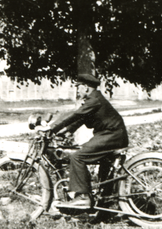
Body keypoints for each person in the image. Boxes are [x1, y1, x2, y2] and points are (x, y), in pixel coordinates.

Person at [43, 73, 129, 209]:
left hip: (112, 136)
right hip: (111, 135)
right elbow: (82, 118)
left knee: (77, 156)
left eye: (79, 87)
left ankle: (82, 197)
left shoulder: (94, 100)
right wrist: (67, 130)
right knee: (99, 168)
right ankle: (103, 207)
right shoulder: (94, 99)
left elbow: (75, 114)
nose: (77, 90)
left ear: (86, 87)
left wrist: (51, 128)